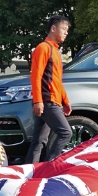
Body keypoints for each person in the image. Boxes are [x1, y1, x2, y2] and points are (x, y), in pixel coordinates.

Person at [24, 16, 73, 164]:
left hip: (51, 101)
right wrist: (38, 101)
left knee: (39, 140)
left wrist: (66, 101)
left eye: (67, 30)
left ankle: (30, 171)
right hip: (47, 101)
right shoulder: (43, 48)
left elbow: (57, 80)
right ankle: (50, 166)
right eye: (64, 29)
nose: (66, 33)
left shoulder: (55, 51)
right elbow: (36, 76)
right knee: (65, 133)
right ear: (53, 28)